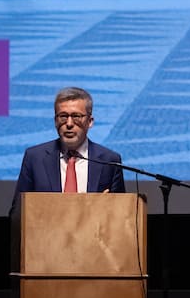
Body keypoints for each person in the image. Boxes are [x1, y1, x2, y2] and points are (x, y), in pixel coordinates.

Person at [10, 86, 126, 214]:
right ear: (55, 121)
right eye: (63, 116)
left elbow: (120, 215)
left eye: (76, 116)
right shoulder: (35, 158)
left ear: (90, 122)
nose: (69, 124)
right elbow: (17, 213)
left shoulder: (109, 161)